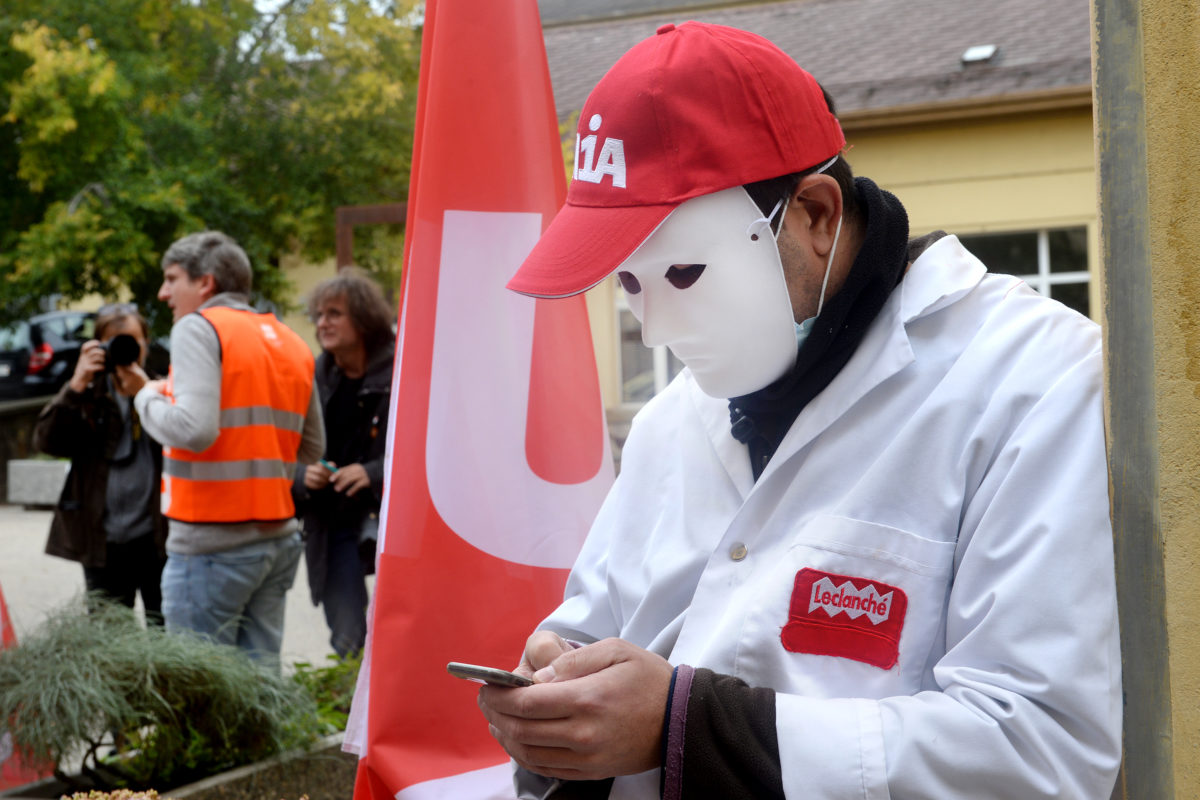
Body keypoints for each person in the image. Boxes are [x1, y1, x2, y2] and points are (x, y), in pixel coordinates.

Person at [478, 22, 1122, 799]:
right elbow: (596, 623)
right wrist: (560, 688)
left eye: (683, 271)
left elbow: (1042, 748)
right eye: (629, 282)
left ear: (816, 214)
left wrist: (689, 727)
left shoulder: (1031, 383)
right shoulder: (674, 419)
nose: (655, 330)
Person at [127, 231, 324, 669]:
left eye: (171, 278)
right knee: (259, 684)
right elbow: (312, 448)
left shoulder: (197, 328)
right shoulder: (290, 340)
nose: (163, 293)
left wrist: (144, 395)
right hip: (277, 540)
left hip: (210, 544)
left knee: (201, 690)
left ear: (206, 284)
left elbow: (194, 430)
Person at [33, 303, 167, 621]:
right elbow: (46, 442)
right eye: (115, 341)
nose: (125, 349)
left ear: (146, 344)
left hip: (157, 538)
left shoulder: (163, 391)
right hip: (101, 541)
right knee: (108, 641)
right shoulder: (86, 396)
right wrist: (77, 384)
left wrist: (145, 393)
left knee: (166, 633)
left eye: (132, 340)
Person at [292, 267, 395, 658]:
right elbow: (288, 447)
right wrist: (305, 474)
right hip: (332, 520)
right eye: (318, 315)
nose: (322, 323)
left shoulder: (402, 370)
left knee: (398, 632)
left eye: (334, 313)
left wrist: (371, 472)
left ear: (364, 319)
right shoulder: (312, 375)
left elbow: (429, 454)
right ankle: (353, 710)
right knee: (349, 637)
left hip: (389, 521)